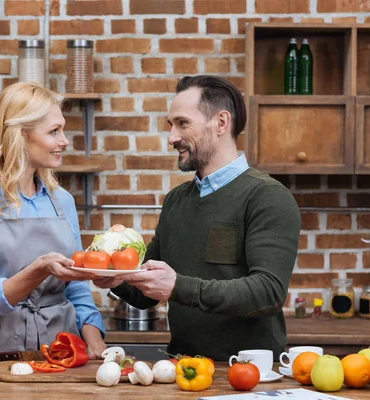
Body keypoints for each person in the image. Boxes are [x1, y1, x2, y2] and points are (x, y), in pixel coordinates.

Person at [94, 75, 301, 361]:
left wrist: (179, 286)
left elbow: (268, 293)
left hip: (250, 374)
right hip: (183, 369)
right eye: (171, 125)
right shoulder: (177, 200)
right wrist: (112, 277)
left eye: (183, 123)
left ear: (220, 123)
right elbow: (147, 292)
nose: (172, 138)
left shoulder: (267, 197)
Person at [0, 82, 106, 358]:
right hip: (1, 360)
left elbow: (78, 289)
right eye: (53, 131)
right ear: (21, 135)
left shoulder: (62, 201)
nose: (65, 141)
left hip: (67, 356)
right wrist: (38, 270)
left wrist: (95, 341)